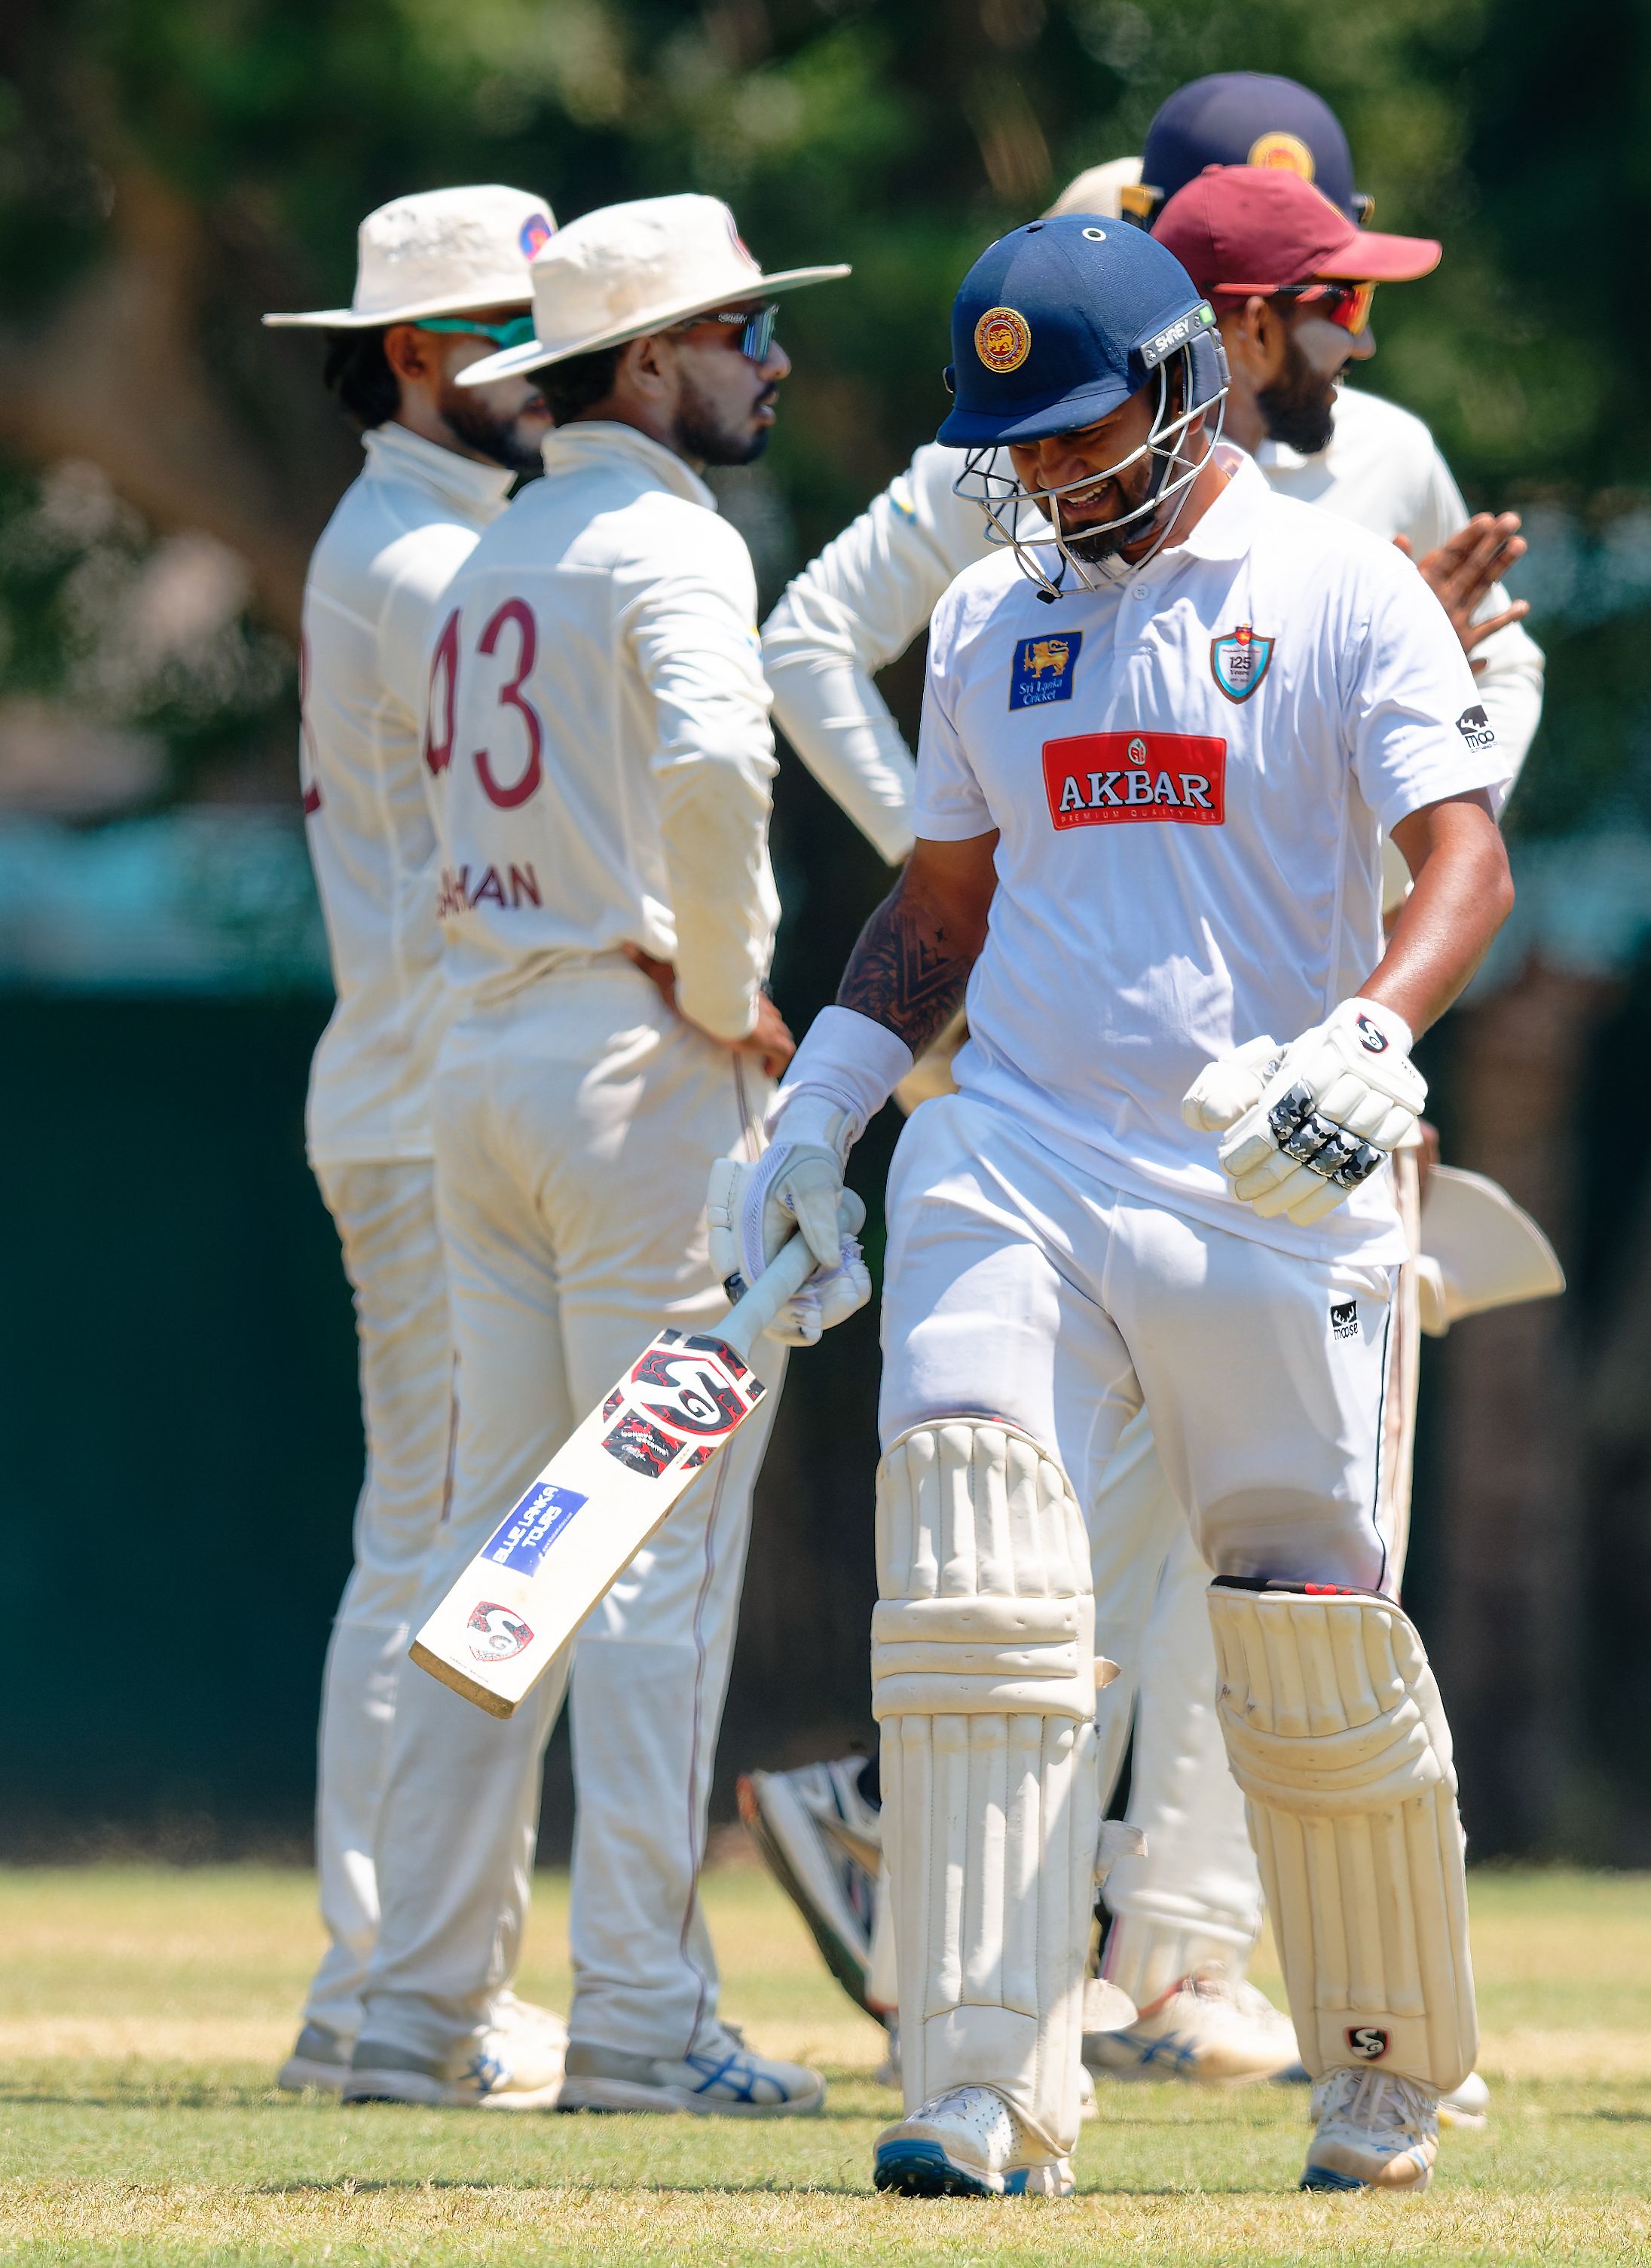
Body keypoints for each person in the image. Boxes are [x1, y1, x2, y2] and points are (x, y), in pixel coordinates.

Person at [739, 90, 1539, 2109]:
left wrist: (1370, 1038)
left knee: (1298, 1637)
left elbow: (1465, 862)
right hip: (1014, 1149)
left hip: (1266, 1168)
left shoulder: (1346, 583)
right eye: (1017, 446)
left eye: (1084, 432)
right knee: (977, 1579)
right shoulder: (999, 618)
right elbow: (941, 903)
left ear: (1188, 385)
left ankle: (1372, 2071)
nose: (1050, 478)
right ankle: (980, 2080)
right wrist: (824, 1105)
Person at [341, 194, 847, 2119]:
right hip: (639, 1079)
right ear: (645, 363)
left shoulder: (497, 549)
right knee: (656, 1553)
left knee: (506, 1548)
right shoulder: (668, 540)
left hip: (486, 1057)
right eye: (740, 332)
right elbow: (723, 767)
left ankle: (414, 2002)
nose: (769, 360)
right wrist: (730, 987)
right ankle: (637, 2010)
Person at [261, 183, 567, 2107]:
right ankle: (387, 1982)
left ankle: (392, 1978)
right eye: (511, 340)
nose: (548, 377)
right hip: (426, 1101)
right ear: (415, 358)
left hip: (440, 1096)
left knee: (447, 1538)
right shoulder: (419, 558)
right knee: (435, 1545)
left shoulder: (450, 534)